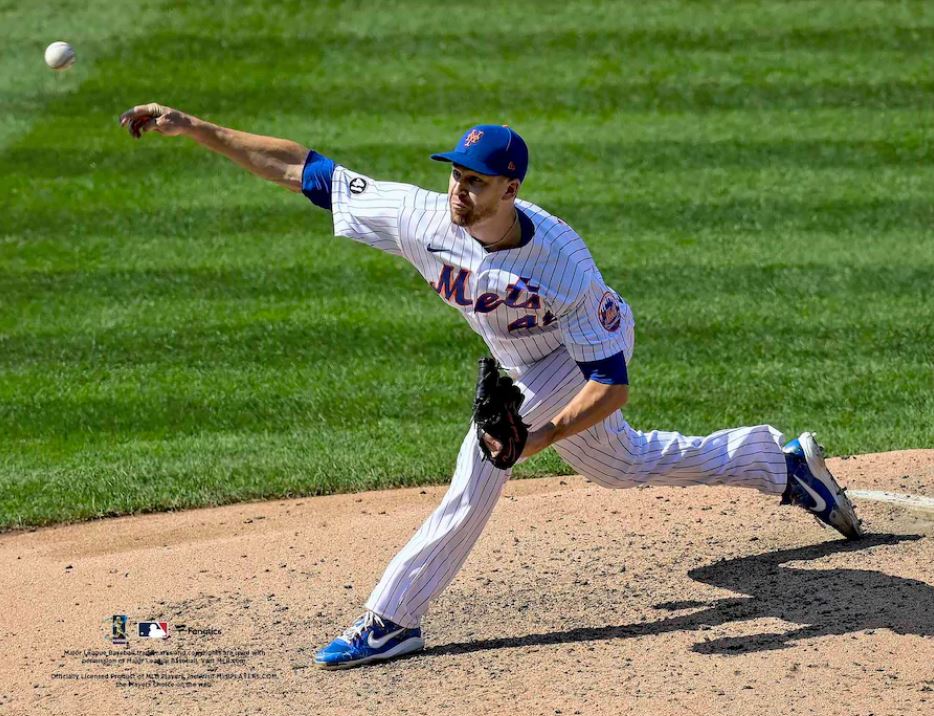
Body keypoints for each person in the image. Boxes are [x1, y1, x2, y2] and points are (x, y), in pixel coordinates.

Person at [119, 104, 863, 670]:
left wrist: (534, 439)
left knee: (483, 461)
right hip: (521, 362)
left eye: (475, 183)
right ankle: (780, 462)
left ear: (512, 187)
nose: (459, 192)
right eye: (455, 176)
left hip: (581, 358)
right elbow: (303, 170)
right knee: (625, 466)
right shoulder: (422, 216)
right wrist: (193, 127)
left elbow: (610, 384)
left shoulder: (565, 265)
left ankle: (394, 616)